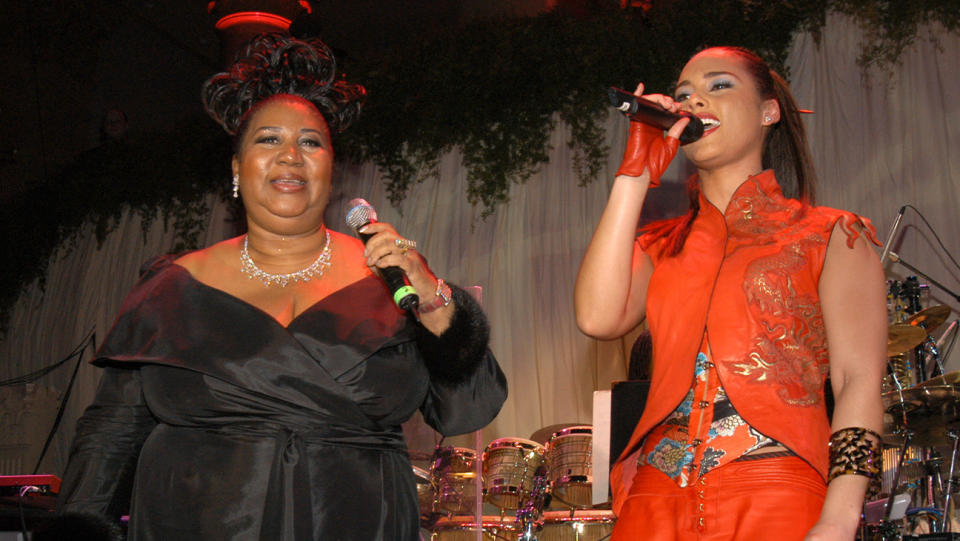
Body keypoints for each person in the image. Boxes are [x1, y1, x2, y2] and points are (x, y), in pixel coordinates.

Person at [57, 34, 507, 541]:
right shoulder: (173, 286)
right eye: (269, 139)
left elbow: (469, 408)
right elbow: (111, 436)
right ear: (236, 168)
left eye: (310, 142)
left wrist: (430, 295)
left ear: (330, 168)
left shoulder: (393, 281)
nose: (291, 155)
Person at [575, 46, 886, 541]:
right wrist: (634, 174)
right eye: (683, 95)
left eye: (718, 86)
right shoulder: (661, 245)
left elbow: (859, 383)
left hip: (778, 492)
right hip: (653, 502)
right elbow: (597, 317)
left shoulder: (830, 235)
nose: (694, 101)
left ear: (769, 111)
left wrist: (840, 517)